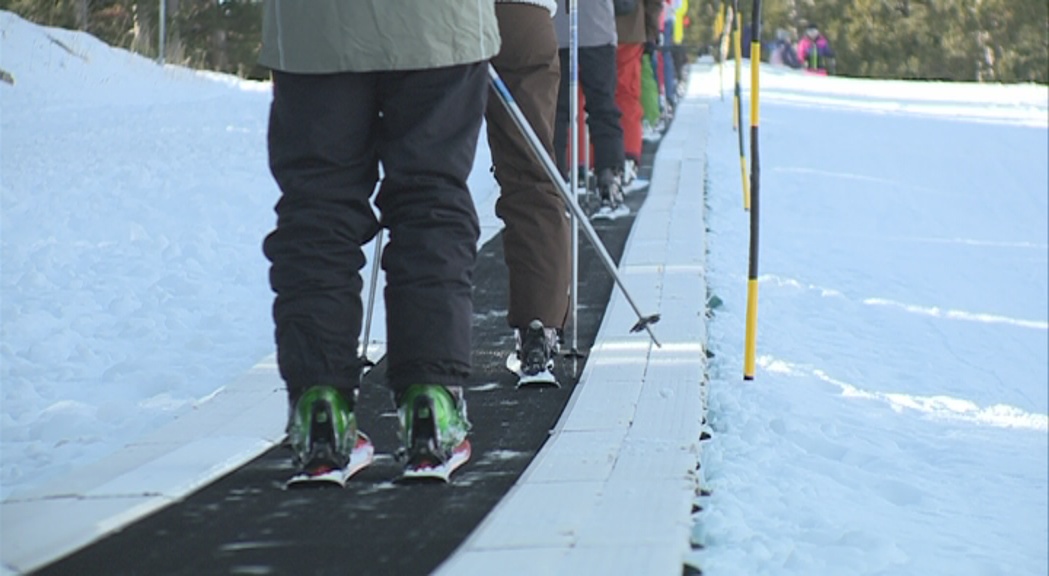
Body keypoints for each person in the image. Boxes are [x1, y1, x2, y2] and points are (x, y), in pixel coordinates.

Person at [257, 2, 501, 480]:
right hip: (439, 23)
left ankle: (318, 403)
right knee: (430, 196)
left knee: (318, 205)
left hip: (314, 27)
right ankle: (431, 399)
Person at [486, 0, 567, 383]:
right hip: (524, 15)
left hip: (439, 18)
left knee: (427, 181)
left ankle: (424, 357)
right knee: (531, 172)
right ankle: (539, 327)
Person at [553, 0, 627, 214]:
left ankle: (554, 181)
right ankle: (609, 177)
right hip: (596, 28)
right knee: (603, 107)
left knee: (556, 111)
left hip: (556, 28)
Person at [615, 0, 664, 185]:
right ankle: (629, 155)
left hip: (590, 30)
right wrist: (651, 34)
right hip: (631, 31)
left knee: (593, 99)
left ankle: (587, 162)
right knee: (627, 94)